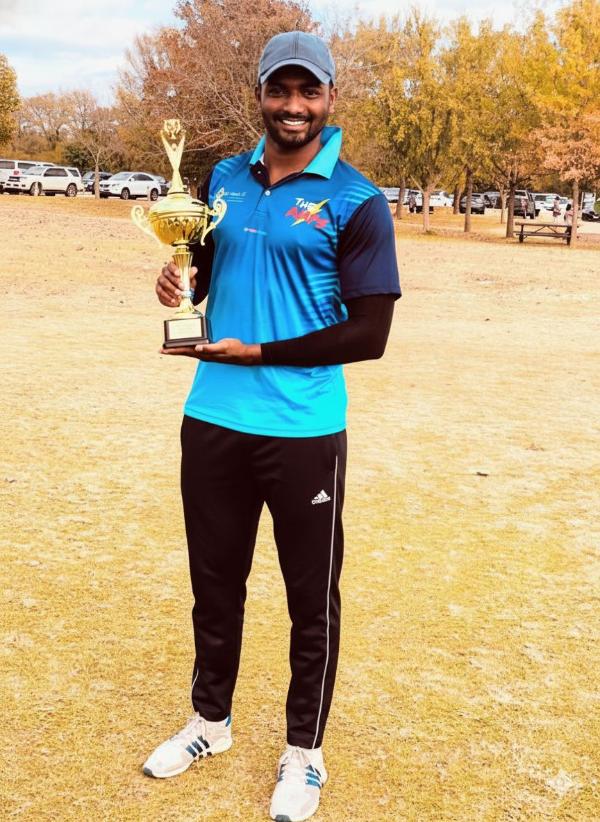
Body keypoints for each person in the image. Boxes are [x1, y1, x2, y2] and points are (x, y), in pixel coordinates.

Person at [142, 31, 401, 822]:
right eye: (279, 91)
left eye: (308, 92)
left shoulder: (356, 199)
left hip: (302, 428)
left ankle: (304, 754)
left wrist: (259, 353)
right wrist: (179, 282)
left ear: (330, 98)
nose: (293, 107)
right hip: (212, 416)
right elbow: (204, 271)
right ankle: (210, 722)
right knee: (214, 585)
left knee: (309, 599)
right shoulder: (222, 177)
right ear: (259, 93)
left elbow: (370, 334)